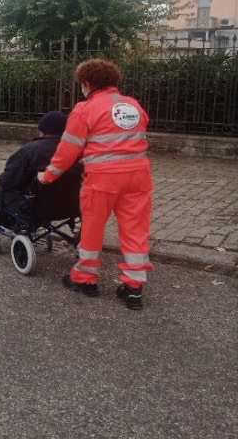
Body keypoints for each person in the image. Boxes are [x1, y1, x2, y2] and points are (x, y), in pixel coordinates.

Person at [37, 59, 152, 310]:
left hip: (103, 178)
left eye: (82, 85)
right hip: (138, 175)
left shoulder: (84, 109)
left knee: (92, 227)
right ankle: (134, 288)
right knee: (135, 230)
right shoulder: (132, 105)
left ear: (87, 84)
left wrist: (48, 176)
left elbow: (68, 150)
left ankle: (85, 278)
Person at [0, 111, 67, 228]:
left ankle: (6, 222)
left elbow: (12, 175)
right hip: (67, 205)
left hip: (37, 206)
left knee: (0, 187)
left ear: (42, 130)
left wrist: (0, 180)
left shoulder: (31, 150)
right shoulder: (73, 150)